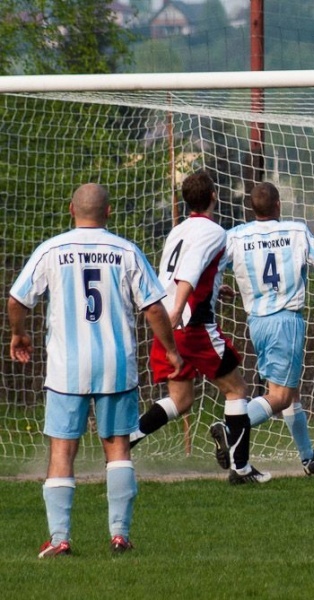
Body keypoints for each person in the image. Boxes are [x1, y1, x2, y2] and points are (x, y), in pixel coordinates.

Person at [7, 183, 183, 557]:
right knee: (118, 447)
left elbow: (18, 298)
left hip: (66, 367)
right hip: (115, 364)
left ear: (72, 209)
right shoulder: (125, 250)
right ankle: (119, 534)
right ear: (108, 212)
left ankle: (60, 539)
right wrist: (170, 349)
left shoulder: (51, 250)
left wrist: (19, 334)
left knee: (62, 450)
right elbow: (154, 308)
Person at [129, 170, 269, 485]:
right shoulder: (214, 232)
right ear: (214, 197)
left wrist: (212, 290)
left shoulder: (177, 231)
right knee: (237, 390)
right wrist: (180, 309)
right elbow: (188, 273)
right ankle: (242, 469)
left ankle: (128, 437)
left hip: (165, 323)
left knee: (181, 400)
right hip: (192, 325)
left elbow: (173, 273)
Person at [223, 182, 314, 475]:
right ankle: (230, 426)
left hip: (257, 322)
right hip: (286, 320)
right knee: (281, 396)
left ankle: (308, 456)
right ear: (278, 206)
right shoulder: (295, 231)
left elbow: (212, 266)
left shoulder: (235, 235)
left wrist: (220, 288)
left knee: (289, 391)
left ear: (251, 208)